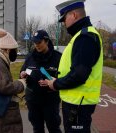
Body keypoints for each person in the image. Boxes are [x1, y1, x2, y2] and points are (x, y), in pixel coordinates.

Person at [39, 0, 103, 132]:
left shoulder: (85, 38)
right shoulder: (82, 36)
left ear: (73, 15)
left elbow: (79, 75)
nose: (64, 24)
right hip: (77, 103)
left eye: (64, 19)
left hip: (78, 104)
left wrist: (56, 84)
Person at [20, 30, 62, 133]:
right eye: (35, 43)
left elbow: (64, 78)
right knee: (37, 129)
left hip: (50, 101)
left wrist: (53, 82)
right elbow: (23, 70)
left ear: (46, 41)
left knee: (54, 128)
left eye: (39, 42)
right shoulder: (30, 56)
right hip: (33, 100)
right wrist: (22, 74)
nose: (36, 45)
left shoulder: (58, 57)